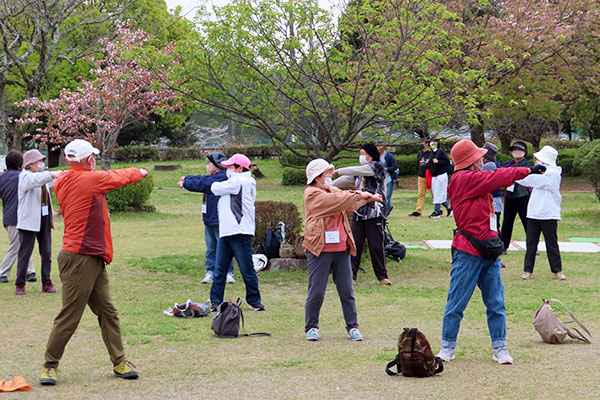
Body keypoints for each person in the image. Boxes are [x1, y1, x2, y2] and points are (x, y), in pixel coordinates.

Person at [41, 139, 147, 385]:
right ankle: (49, 365)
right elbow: (119, 176)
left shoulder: (64, 179)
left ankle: (119, 361)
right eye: (93, 158)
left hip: (93, 256)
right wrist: (141, 172)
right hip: (80, 257)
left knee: (107, 311)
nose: (95, 161)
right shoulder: (88, 179)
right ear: (89, 160)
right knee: (70, 315)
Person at [436, 139, 545, 365]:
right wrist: (527, 170)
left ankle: (500, 346)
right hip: (468, 250)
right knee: (456, 302)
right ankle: (447, 346)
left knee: (496, 302)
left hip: (490, 248)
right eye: (478, 156)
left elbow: (494, 181)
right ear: (470, 160)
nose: (482, 159)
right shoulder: (463, 179)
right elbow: (495, 177)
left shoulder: (475, 179)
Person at [303, 159, 382, 342]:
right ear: (316, 177)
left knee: (347, 290)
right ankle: (312, 327)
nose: (330, 176)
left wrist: (367, 198)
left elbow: (348, 203)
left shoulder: (333, 191)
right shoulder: (312, 194)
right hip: (319, 248)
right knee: (317, 291)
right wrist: (360, 194)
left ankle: (353, 327)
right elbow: (339, 201)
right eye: (327, 173)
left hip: (341, 247)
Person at [209, 153, 264, 311]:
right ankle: (215, 301)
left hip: (240, 231)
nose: (228, 170)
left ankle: (254, 301)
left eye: (231, 167)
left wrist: (199, 182)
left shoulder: (243, 181)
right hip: (227, 231)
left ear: (240, 168)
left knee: (246, 268)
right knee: (219, 269)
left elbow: (216, 188)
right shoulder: (237, 181)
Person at [332, 143, 391, 285]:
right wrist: (325, 186)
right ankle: (351, 276)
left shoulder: (377, 167)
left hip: (374, 213)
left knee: (376, 245)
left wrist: (338, 170)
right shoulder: (359, 173)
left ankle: (382, 277)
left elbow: (358, 170)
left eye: (363, 153)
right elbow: (341, 182)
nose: (361, 156)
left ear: (370, 156)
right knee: (354, 244)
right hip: (359, 213)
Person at [178, 152, 235, 284]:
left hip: (220, 220)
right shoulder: (213, 177)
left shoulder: (223, 177)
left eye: (209, 163)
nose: (207, 166)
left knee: (224, 247)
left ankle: (228, 272)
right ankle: (210, 272)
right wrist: (187, 178)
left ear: (216, 165)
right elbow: (202, 179)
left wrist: (186, 183)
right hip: (209, 219)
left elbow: (204, 183)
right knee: (211, 248)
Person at [514, 146, 565, 280]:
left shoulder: (554, 173)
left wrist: (526, 173)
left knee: (551, 243)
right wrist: (514, 174)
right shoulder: (540, 171)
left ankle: (557, 270)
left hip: (549, 213)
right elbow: (526, 179)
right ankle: (527, 270)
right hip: (534, 213)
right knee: (531, 243)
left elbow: (532, 180)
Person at [15, 149, 61, 295]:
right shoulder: (25, 177)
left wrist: (65, 174)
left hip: (44, 219)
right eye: (39, 161)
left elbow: (52, 179)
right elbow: (38, 180)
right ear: (31, 164)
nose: (41, 164)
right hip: (29, 221)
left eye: (42, 161)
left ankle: (47, 282)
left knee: (46, 252)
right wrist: (51, 175)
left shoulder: (42, 177)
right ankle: (20, 284)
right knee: (25, 253)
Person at [0, 151, 36, 283]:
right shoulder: (23, 177)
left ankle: (30, 271)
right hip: (20, 215)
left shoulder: (2, 177)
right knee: (16, 245)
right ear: (21, 163)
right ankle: (3, 272)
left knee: (22, 244)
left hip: (8, 216)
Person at [499, 141, 530, 250]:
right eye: (515, 149)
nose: (517, 152)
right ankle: (503, 246)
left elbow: (513, 171)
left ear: (525, 152)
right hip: (509, 195)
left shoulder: (526, 163)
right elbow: (501, 169)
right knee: (507, 221)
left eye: (519, 149)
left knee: (526, 221)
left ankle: (532, 247)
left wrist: (507, 172)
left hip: (523, 195)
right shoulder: (509, 163)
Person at [428, 139, 452, 218]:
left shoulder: (441, 152)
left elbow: (447, 161)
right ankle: (449, 207)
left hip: (441, 174)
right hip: (434, 175)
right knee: (437, 193)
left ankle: (436, 211)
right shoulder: (431, 153)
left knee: (439, 193)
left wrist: (438, 161)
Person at [408, 141, 433, 217]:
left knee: (434, 194)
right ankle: (418, 210)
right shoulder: (420, 154)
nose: (422, 144)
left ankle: (441, 208)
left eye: (424, 143)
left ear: (427, 144)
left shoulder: (431, 154)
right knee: (421, 194)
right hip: (421, 176)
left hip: (429, 176)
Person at [481, 143, 503, 229]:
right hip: (494, 199)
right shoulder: (494, 164)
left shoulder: (488, 165)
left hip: (493, 201)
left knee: (493, 227)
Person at [376, 142, 398, 216]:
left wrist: (386, 169)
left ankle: (385, 213)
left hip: (389, 179)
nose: (378, 148)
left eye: (379, 146)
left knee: (387, 197)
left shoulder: (389, 156)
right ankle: (386, 209)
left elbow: (394, 166)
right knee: (380, 196)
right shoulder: (376, 156)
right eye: (377, 146)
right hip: (380, 179)